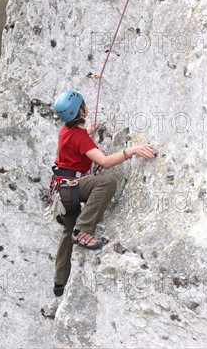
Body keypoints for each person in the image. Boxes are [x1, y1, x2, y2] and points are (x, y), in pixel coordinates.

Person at [50, 90, 155, 297]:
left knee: (66, 232)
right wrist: (131, 151)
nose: (86, 106)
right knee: (106, 183)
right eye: (83, 104)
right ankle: (82, 231)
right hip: (70, 188)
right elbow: (105, 162)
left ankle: (59, 283)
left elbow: (73, 145)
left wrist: (87, 133)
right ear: (80, 111)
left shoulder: (67, 131)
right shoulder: (79, 137)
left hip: (61, 190)